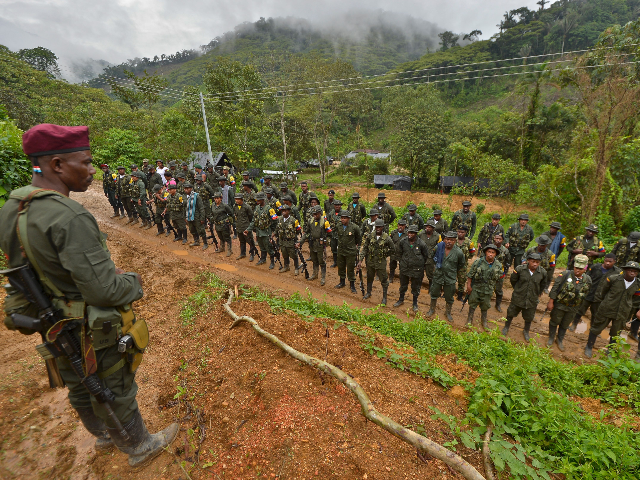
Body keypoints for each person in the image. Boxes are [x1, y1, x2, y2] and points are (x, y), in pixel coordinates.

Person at [0, 123, 177, 467]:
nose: (92, 169)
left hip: (48, 319)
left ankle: (103, 435)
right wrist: (133, 282)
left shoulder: (12, 207)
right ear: (56, 165)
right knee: (114, 384)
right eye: (85, 161)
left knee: (78, 382)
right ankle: (139, 445)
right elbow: (104, 289)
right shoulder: (70, 215)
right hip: (86, 324)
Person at [584, 261, 640, 358]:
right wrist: (606, 302)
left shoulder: (638, 284)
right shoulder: (613, 279)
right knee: (597, 327)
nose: (632, 273)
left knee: (616, 332)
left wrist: (628, 306)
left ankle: (610, 351)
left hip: (622, 312)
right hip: (607, 308)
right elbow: (603, 291)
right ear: (625, 270)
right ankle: (589, 346)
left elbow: (635, 298)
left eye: (635, 271)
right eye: (630, 270)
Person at [546, 254, 591, 352]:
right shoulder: (565, 274)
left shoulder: (588, 280)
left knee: (565, 324)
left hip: (573, 308)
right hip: (560, 305)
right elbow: (555, 288)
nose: (577, 270)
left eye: (580, 268)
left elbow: (586, 294)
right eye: (576, 268)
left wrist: (580, 307)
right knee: (554, 321)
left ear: (585, 269)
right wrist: (551, 302)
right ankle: (551, 338)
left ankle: (559, 339)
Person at [502, 252, 547, 342]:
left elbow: (543, 284)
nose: (535, 264)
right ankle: (506, 327)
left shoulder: (542, 272)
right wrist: (518, 289)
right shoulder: (519, 269)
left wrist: (538, 292)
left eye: (537, 262)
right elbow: (513, 280)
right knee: (511, 313)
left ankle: (526, 331)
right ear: (528, 261)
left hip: (532, 299)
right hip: (518, 297)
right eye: (533, 261)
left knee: (529, 317)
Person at [570, 253, 620, 332]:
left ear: (614, 261)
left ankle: (592, 329)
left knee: (596, 314)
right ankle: (574, 324)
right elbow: (585, 277)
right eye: (606, 260)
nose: (607, 263)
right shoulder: (595, 267)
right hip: (588, 293)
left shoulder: (617, 272)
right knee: (580, 310)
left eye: (610, 261)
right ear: (604, 260)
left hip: (601, 297)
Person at [427, 231, 466, 320]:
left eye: (451, 240)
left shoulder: (458, 252)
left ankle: (448, 313)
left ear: (455, 241)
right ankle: (431, 309)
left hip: (450, 278)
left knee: (449, 296)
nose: (449, 241)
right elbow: (433, 257)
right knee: (434, 293)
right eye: (447, 239)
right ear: (444, 239)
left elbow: (461, 264)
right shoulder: (438, 247)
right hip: (438, 276)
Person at [465, 244, 503, 329]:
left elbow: (499, 278)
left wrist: (494, 288)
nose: (490, 254)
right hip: (476, 288)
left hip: (488, 290)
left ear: (495, 254)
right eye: (489, 251)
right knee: (472, 304)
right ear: (485, 252)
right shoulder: (478, 262)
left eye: (493, 252)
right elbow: (470, 275)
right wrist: (469, 286)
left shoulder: (498, 265)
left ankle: (484, 322)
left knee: (485, 306)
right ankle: (469, 320)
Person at [358, 219, 395, 305]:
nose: (378, 228)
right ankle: (368, 292)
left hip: (380, 262)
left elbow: (393, 249)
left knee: (384, 280)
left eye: (380, 227)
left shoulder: (387, 238)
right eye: (376, 227)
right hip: (370, 261)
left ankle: (385, 298)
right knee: (370, 277)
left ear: (383, 227)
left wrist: (384, 254)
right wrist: (360, 260)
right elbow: (365, 248)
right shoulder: (371, 236)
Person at [395, 225, 430, 312]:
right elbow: (399, 253)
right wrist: (402, 262)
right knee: (403, 285)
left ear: (416, 234)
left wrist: (419, 263)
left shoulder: (421, 243)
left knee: (415, 287)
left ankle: (415, 303)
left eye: (412, 233)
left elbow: (426, 255)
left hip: (416, 269)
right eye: (409, 232)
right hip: (405, 268)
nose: (410, 234)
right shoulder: (403, 241)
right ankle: (401, 299)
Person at [299, 205, 331, 284]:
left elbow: (330, 234)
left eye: (316, 214)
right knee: (314, 260)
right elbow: (307, 233)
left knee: (321, 261)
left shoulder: (325, 222)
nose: (315, 215)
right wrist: (300, 242)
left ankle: (323, 277)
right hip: (312, 243)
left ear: (320, 213)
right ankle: (314, 274)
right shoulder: (311, 221)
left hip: (320, 245)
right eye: (314, 214)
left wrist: (326, 242)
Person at [334, 210, 362, 293]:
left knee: (350, 268)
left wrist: (356, 246)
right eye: (342, 218)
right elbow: (337, 235)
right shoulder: (338, 226)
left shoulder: (354, 227)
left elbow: (358, 238)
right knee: (341, 267)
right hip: (341, 250)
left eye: (344, 218)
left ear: (349, 219)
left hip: (350, 251)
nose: (343, 220)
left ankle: (352, 285)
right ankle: (342, 282)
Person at [246, 192, 276, 267]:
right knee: (261, 246)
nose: (257, 201)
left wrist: (274, 231)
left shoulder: (270, 209)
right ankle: (263, 259)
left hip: (266, 232)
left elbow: (275, 220)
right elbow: (253, 220)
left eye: (259, 200)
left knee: (268, 247)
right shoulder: (257, 208)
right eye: (257, 200)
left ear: (263, 199)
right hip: (259, 232)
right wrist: (248, 229)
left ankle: (272, 262)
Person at [487, 232, 511, 312]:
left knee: (498, 290)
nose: (498, 240)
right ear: (494, 238)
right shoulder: (489, 248)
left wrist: (505, 273)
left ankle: (498, 305)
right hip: (488, 271)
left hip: (499, 273)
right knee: (486, 287)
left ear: (502, 240)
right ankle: (484, 302)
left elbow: (507, 262)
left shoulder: (505, 251)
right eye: (496, 238)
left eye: (499, 239)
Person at [276, 204, 301, 274]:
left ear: (289, 211)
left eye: (285, 211)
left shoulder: (294, 220)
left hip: (290, 241)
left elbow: (298, 230)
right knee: (284, 254)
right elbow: (277, 228)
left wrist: (297, 240)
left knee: (293, 255)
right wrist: (273, 235)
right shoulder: (279, 219)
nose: (283, 212)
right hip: (282, 241)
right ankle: (286, 266)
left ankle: (296, 268)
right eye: (282, 211)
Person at [183, 182, 208, 250]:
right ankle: (196, 241)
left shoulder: (196, 196)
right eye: (185, 189)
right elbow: (184, 207)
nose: (186, 190)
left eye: (187, 189)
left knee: (201, 230)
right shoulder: (184, 197)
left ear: (191, 189)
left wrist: (202, 218)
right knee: (192, 229)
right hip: (189, 216)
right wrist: (185, 217)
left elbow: (201, 208)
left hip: (196, 216)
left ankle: (205, 243)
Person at [418, 220, 442, 289]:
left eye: (429, 227)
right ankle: (418, 287)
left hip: (430, 258)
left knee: (430, 274)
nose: (427, 228)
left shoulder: (437, 236)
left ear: (433, 228)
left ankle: (431, 288)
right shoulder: (421, 234)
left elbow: (440, 247)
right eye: (426, 227)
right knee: (419, 273)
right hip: (421, 257)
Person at [455, 225, 476, 301]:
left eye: (462, 232)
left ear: (466, 233)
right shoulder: (453, 239)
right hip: (453, 264)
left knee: (462, 280)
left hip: (463, 265)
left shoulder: (469, 242)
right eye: (459, 232)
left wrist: (466, 258)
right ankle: (447, 293)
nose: (460, 233)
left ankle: (460, 296)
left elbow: (472, 253)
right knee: (450, 279)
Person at [211, 191, 234, 256]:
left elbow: (231, 213)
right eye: (215, 198)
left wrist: (228, 220)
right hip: (217, 224)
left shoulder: (224, 206)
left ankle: (230, 250)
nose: (216, 200)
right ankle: (222, 247)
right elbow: (212, 213)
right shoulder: (213, 205)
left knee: (226, 236)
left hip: (224, 224)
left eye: (217, 198)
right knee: (220, 236)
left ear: (221, 198)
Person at [233, 193, 254, 260]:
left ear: (242, 199)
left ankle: (252, 254)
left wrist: (249, 227)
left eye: (238, 199)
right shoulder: (235, 206)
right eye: (236, 199)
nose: (236, 200)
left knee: (250, 241)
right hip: (239, 227)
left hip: (246, 227)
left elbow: (251, 217)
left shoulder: (247, 207)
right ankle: (243, 253)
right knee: (242, 241)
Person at [388, 219, 407, 283]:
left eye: (402, 225)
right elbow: (389, 241)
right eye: (399, 225)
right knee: (392, 266)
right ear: (397, 225)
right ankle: (391, 278)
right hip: (394, 253)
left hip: (402, 254)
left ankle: (402, 280)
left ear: (405, 226)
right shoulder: (393, 233)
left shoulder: (407, 234)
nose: (400, 227)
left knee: (402, 267)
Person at [327, 200, 342, 268]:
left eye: (338, 205)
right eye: (336, 205)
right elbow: (328, 222)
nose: (337, 206)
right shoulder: (331, 213)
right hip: (333, 234)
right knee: (333, 249)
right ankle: (335, 262)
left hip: (340, 235)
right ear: (334, 205)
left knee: (341, 249)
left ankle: (341, 263)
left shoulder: (343, 213)